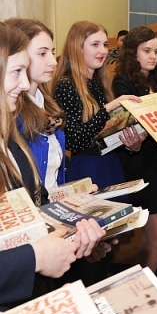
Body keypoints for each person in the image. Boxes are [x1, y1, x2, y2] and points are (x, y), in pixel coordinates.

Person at [0, 23, 106, 310]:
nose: (24, 84)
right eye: (16, 71)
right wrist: (35, 257)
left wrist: (75, 233)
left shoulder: (12, 142)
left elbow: (35, 204)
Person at [112, 26, 157, 272]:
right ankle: (142, 286)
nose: (153, 56)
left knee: (154, 238)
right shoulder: (123, 81)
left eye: (156, 51)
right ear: (133, 52)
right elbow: (128, 124)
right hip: (141, 162)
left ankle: (142, 285)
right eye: (147, 51)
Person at [52, 21, 141, 190]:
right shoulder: (66, 85)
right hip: (87, 168)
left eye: (105, 44)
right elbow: (74, 141)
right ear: (77, 47)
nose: (103, 50)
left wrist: (131, 144)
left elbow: (103, 134)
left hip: (110, 163)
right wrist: (108, 109)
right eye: (95, 44)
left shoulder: (100, 82)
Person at [5, 18, 66, 192]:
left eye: (52, 52)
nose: (53, 61)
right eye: (42, 53)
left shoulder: (47, 104)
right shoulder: (12, 114)